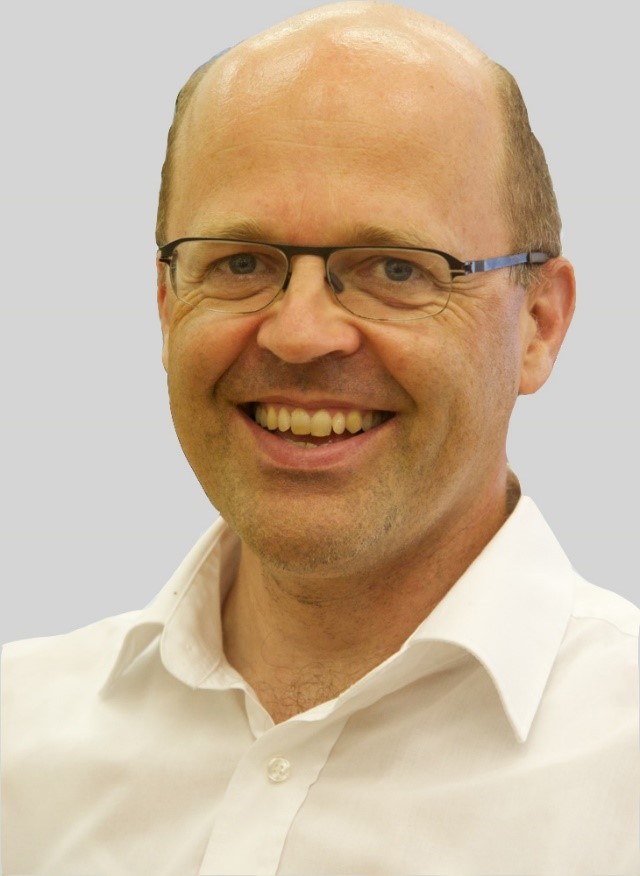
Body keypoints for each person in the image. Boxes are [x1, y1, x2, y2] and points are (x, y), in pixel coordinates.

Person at [2, 2, 638, 874]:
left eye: (397, 269)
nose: (300, 335)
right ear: (166, 305)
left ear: (539, 325)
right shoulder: (19, 744)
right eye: (241, 263)